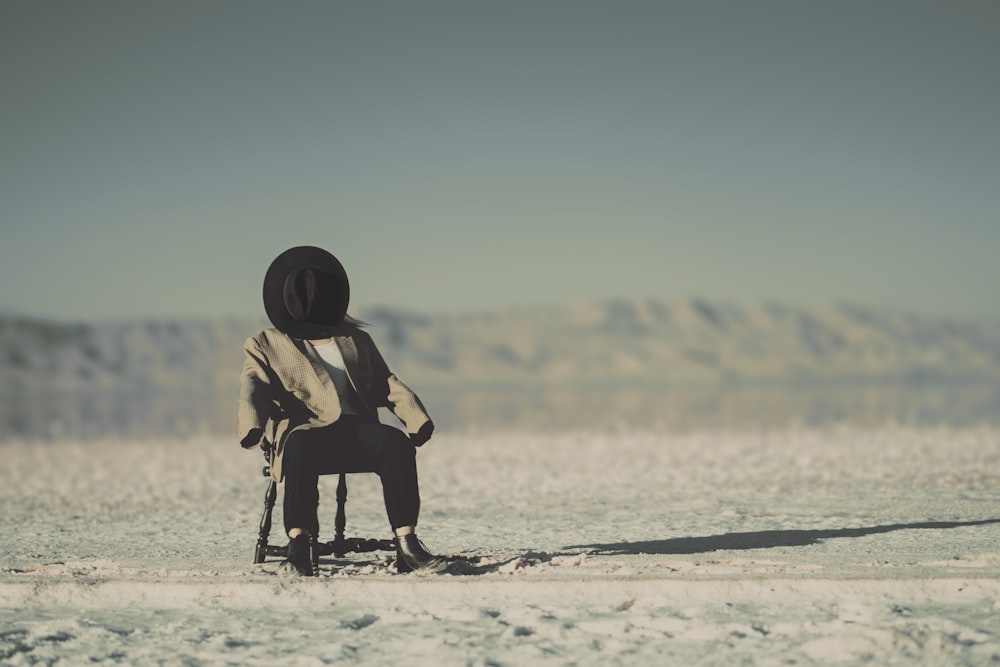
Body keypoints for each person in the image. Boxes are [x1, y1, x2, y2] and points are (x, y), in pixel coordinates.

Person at [238, 246, 447, 576]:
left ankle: (408, 544)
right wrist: (252, 426)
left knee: (395, 444)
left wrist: (414, 417)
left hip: (357, 429)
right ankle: (299, 546)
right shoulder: (266, 342)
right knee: (300, 447)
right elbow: (255, 386)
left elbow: (385, 381)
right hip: (306, 432)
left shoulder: (354, 338)